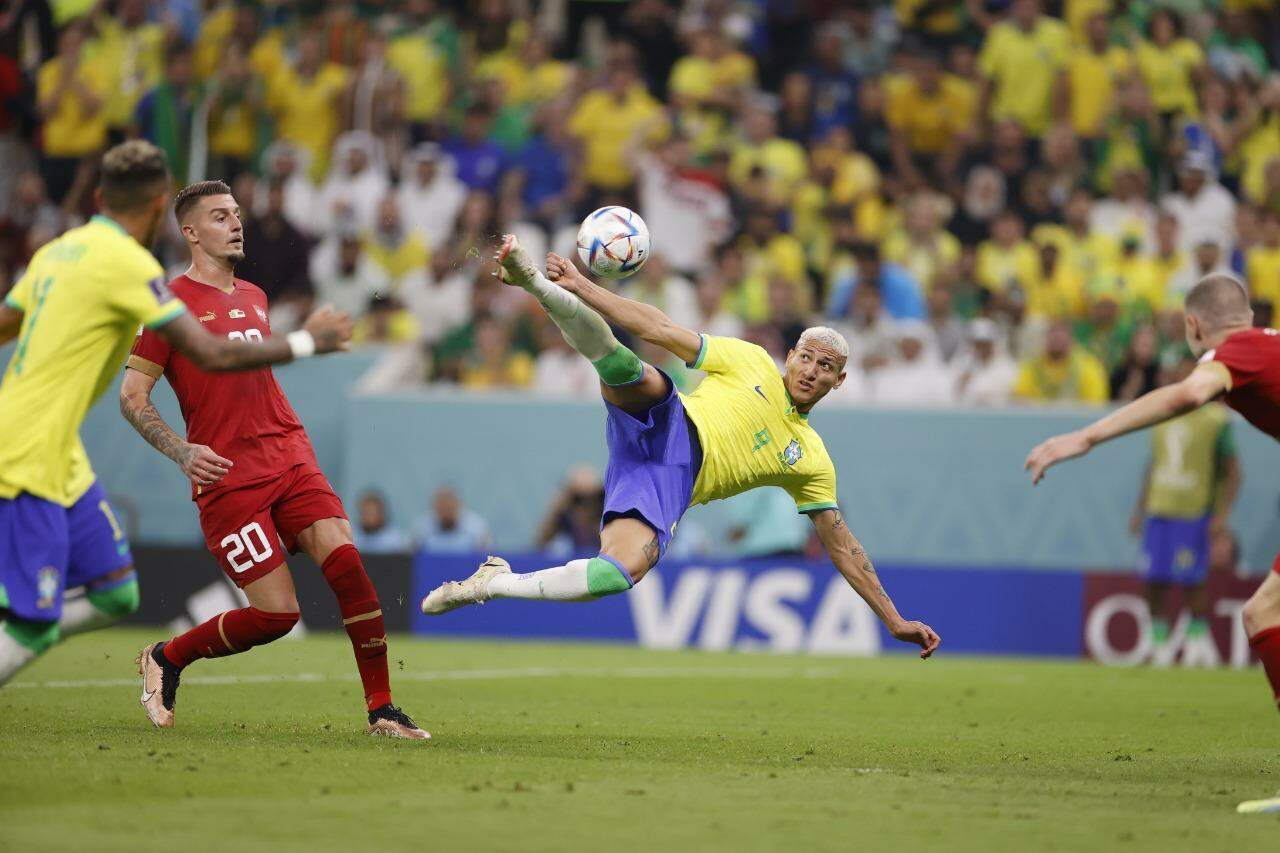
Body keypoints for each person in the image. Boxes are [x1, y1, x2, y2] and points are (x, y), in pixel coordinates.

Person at [421, 236, 940, 662]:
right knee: (624, 367)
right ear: (790, 356)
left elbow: (843, 547)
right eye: (806, 358)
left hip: (667, 484)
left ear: (840, 381)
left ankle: (493, 583)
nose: (811, 371)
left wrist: (893, 619)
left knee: (614, 575)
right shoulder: (751, 360)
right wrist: (581, 284)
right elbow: (660, 327)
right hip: (669, 421)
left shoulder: (811, 459)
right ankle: (537, 282)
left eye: (825, 368)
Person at [0, 140, 351, 688]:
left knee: (118, 593)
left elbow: (7, 324)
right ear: (165, 206)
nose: (236, 224)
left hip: (61, 450)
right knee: (34, 621)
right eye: (221, 215)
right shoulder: (135, 269)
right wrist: (308, 341)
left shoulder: (55, 251)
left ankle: (147, 654)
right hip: (24, 449)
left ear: (98, 196)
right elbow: (206, 355)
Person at [121, 180, 425, 740]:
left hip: (289, 453)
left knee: (348, 564)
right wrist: (180, 450)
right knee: (277, 617)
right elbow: (132, 396)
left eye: (235, 214)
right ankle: (167, 656)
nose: (235, 224)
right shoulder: (167, 304)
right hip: (229, 477)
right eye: (219, 217)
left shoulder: (256, 296)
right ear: (189, 232)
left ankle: (382, 709)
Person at [1026, 275, 1280, 716]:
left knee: (1264, 614)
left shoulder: (1235, 353)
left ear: (1193, 326)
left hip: (1186, 513)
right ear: (1251, 318)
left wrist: (1087, 436)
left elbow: (1189, 393)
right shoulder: (1268, 346)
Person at [1129, 354, 1240, 664]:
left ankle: (1196, 643)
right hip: (1159, 509)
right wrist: (1139, 510)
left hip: (1193, 512)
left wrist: (1221, 515)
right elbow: (1153, 466)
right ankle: (1158, 644)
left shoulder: (1216, 420)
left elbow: (1232, 471)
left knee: (1193, 581)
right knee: (1153, 580)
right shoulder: (1162, 415)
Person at [416, 487, 492, 555]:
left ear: (458, 505)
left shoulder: (477, 528)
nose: (446, 511)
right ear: (434, 507)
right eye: (442, 507)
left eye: (449, 507)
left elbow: (487, 558)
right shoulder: (422, 528)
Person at [353, 490, 411, 555]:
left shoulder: (396, 540)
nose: (370, 518)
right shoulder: (351, 538)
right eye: (366, 512)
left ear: (382, 514)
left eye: (373, 513)